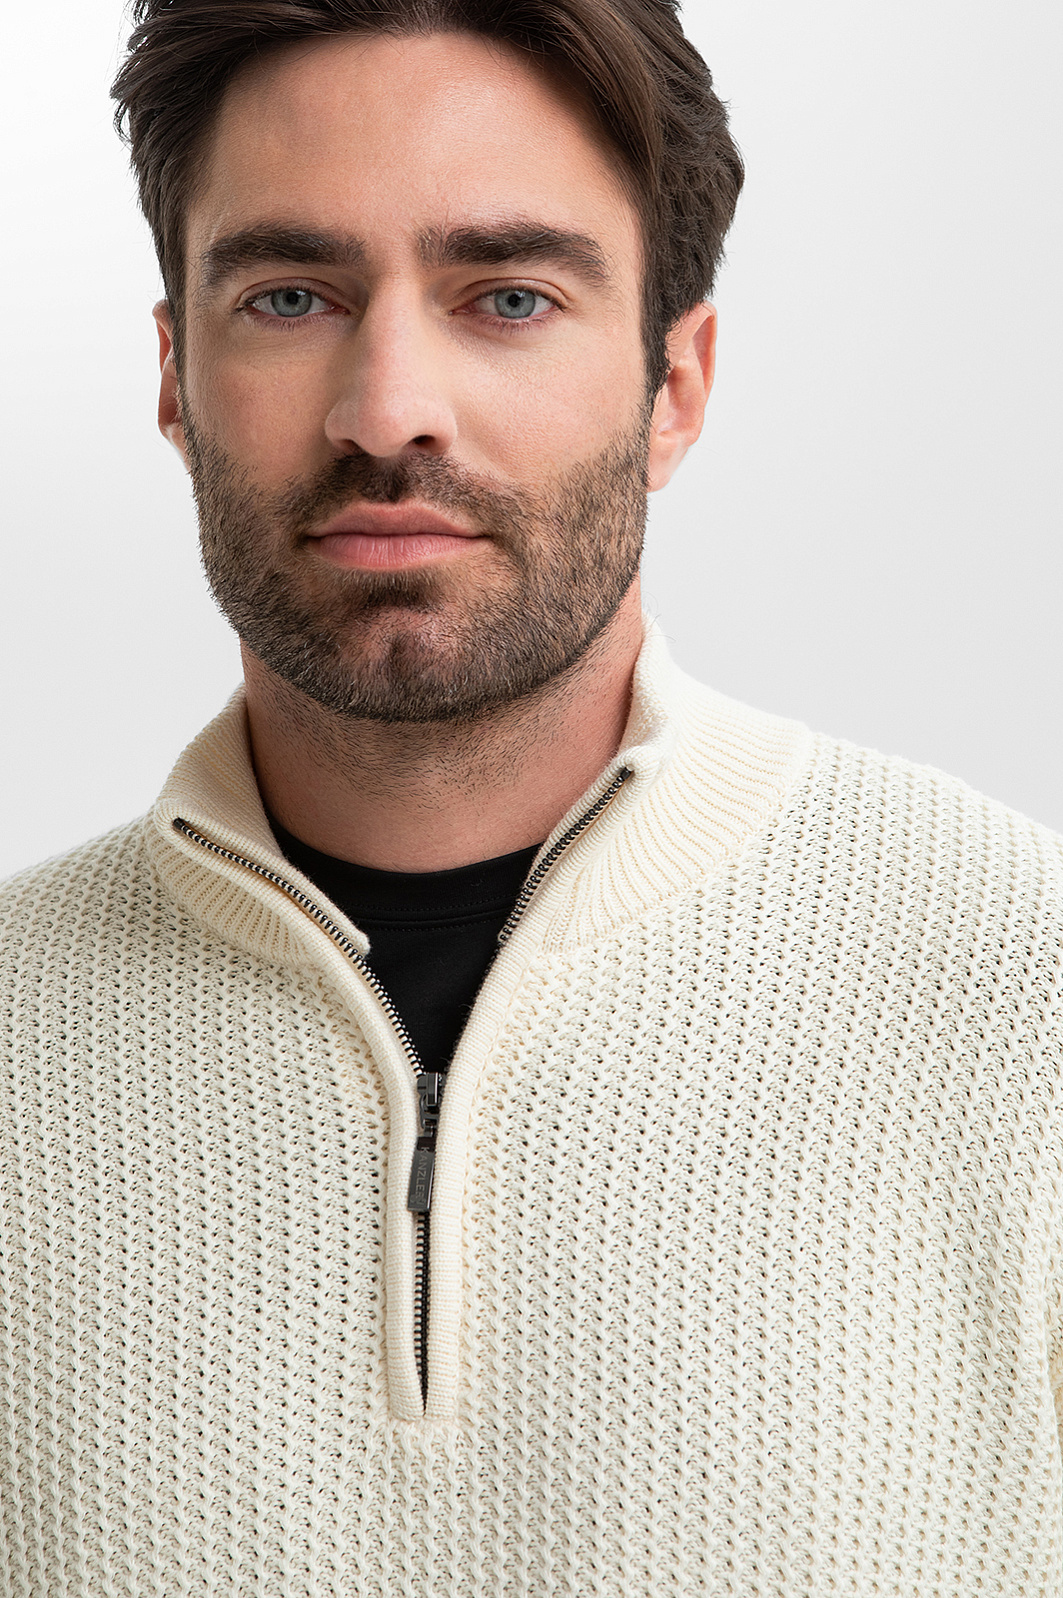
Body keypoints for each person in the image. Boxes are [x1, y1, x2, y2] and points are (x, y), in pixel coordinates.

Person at [1, 1, 1062, 1594]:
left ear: (676, 385)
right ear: (173, 376)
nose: (389, 409)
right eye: (289, 296)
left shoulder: (1030, 993)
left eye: (508, 296)